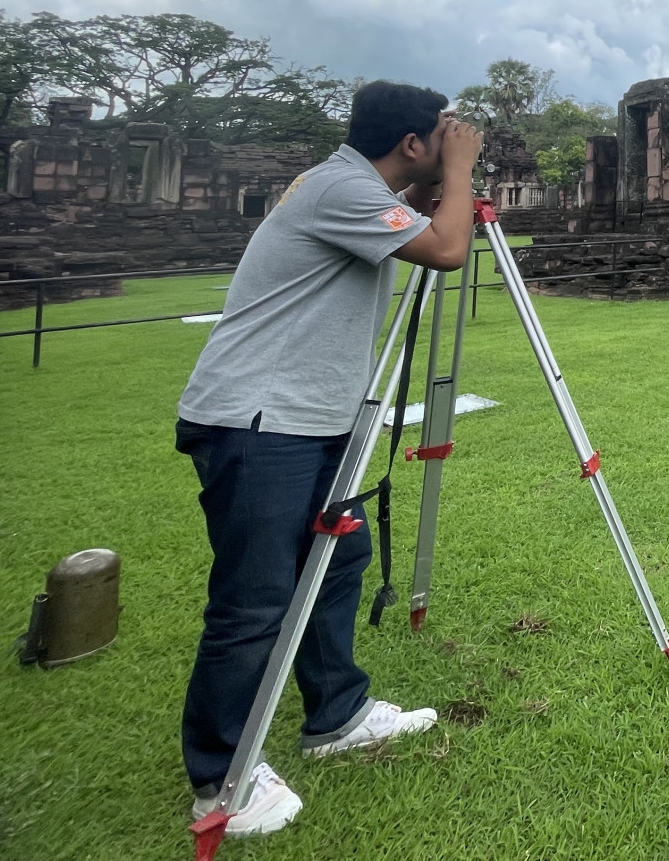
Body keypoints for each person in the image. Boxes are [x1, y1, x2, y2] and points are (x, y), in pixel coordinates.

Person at [175, 81, 484, 837]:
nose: (451, 141)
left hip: (309, 417)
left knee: (337, 558)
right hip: (259, 419)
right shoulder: (341, 189)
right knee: (254, 599)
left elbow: (427, 228)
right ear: (412, 144)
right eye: (442, 133)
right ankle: (221, 778)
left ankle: (336, 712)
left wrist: (443, 179)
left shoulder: (352, 185)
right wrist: (462, 170)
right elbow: (447, 250)